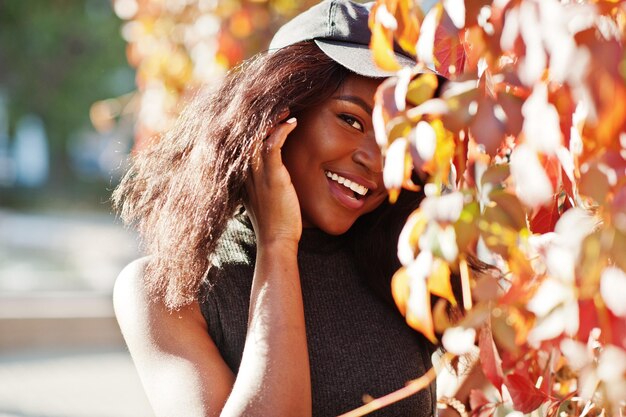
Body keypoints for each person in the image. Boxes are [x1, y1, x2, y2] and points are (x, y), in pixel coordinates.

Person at [112, 1, 447, 415]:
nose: (377, 160)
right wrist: (277, 243)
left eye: (400, 137)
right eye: (352, 121)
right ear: (275, 115)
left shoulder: (403, 271)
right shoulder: (166, 290)